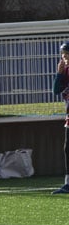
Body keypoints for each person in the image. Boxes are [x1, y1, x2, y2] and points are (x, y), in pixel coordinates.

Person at [51, 40, 69, 193]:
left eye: (67, 54)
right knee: (67, 148)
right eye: (63, 54)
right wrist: (59, 73)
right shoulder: (65, 70)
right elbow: (56, 90)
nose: (65, 57)